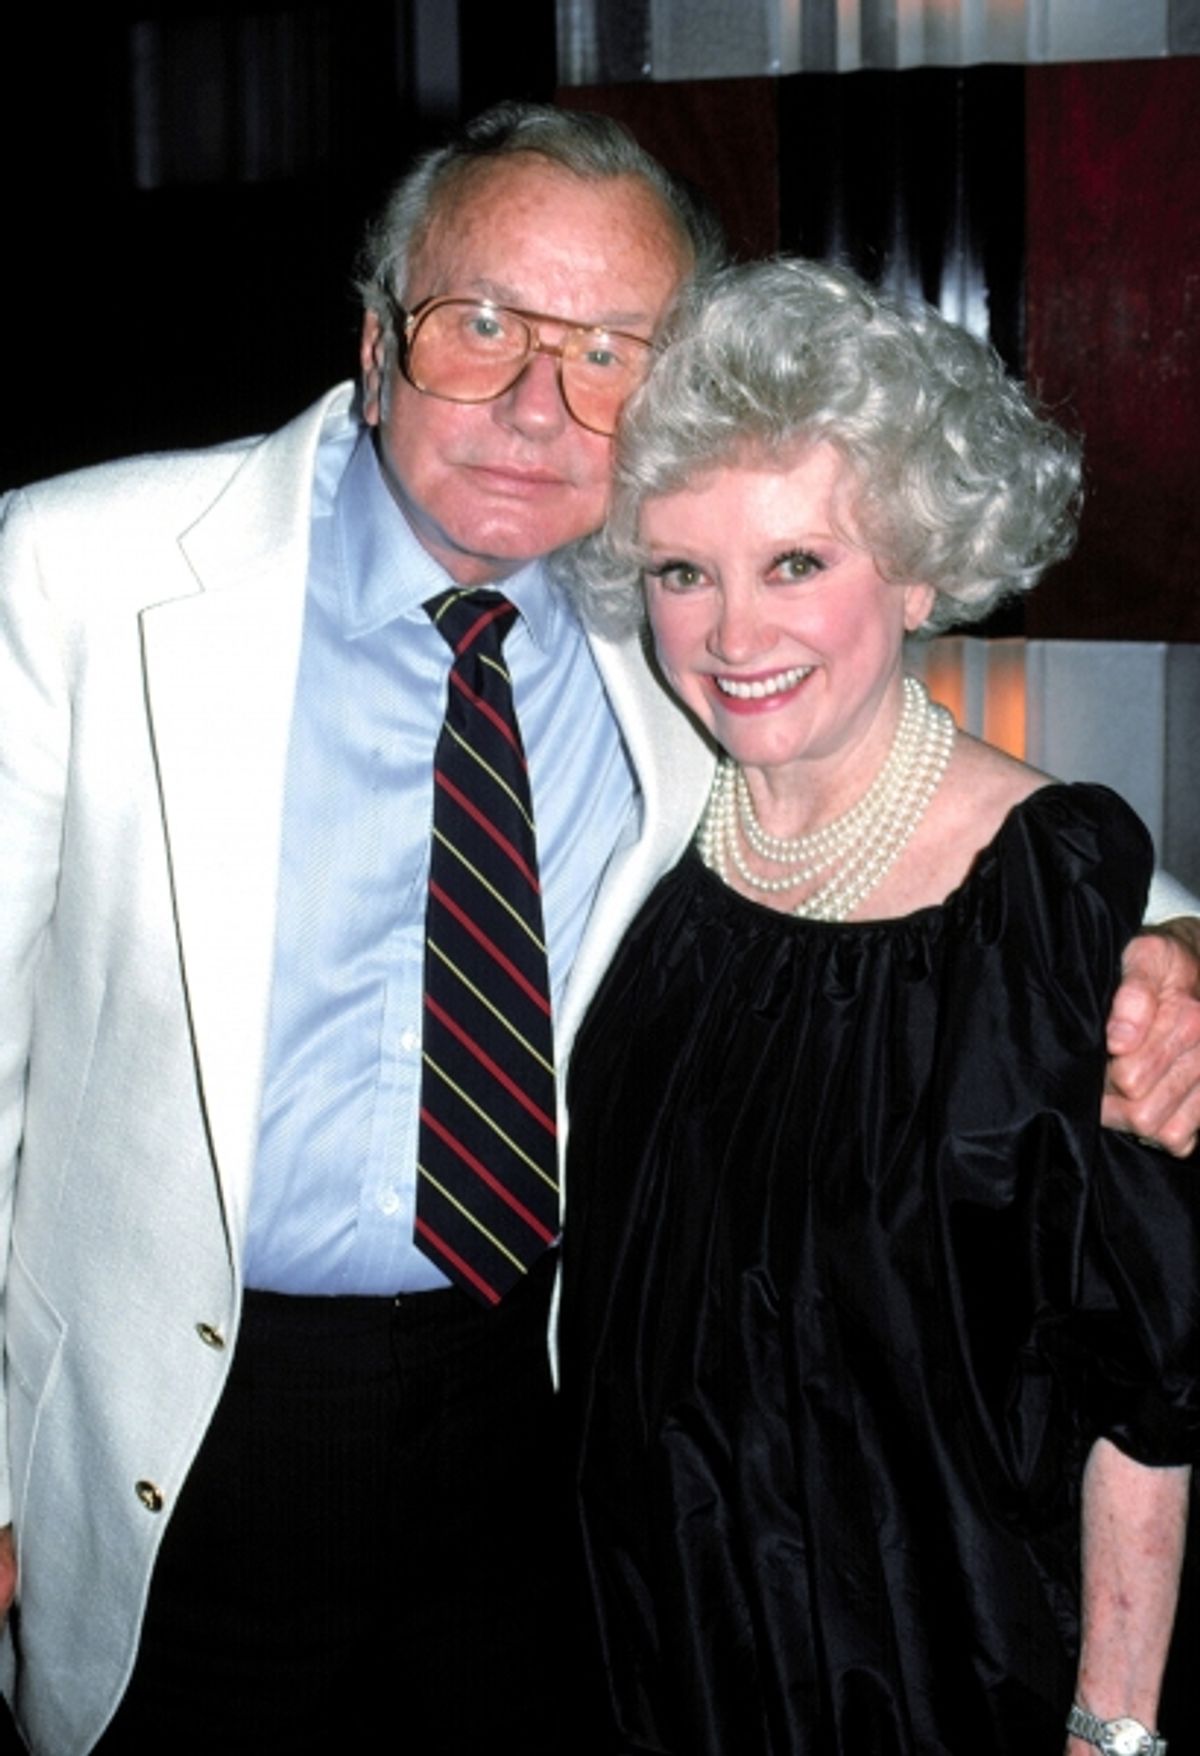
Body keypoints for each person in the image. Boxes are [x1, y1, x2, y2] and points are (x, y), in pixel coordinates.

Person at [0, 101, 1195, 1756]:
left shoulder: (650, 615)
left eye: (608, 348)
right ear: (377, 339)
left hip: (540, 1442)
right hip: (188, 1427)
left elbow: (959, 841)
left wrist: (1180, 955)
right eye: (481, 324)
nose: (537, 403)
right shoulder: (78, 570)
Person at [559, 258, 1199, 1756]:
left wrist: (1114, 1730)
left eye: (798, 564)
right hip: (647, 1656)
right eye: (681, 572)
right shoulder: (647, 852)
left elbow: (1147, 1394)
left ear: (917, 567)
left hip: (935, 1676)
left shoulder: (1055, 908)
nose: (730, 632)